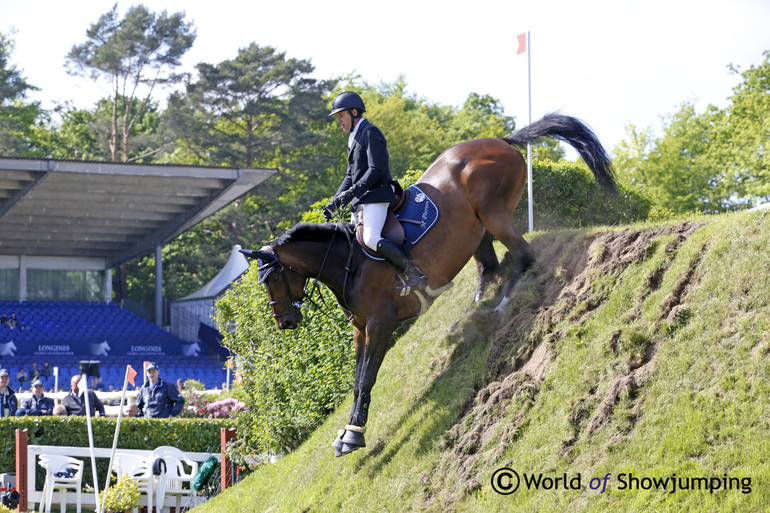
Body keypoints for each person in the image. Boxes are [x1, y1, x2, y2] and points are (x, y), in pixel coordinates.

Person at [323, 91, 427, 296]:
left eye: (341, 116)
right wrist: (335, 201)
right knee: (353, 246)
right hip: (362, 200)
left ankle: (414, 274)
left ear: (354, 112)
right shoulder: (353, 138)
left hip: (377, 196)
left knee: (370, 238)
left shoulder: (370, 132)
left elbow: (376, 170)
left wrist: (352, 192)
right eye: (337, 117)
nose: (339, 121)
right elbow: (349, 176)